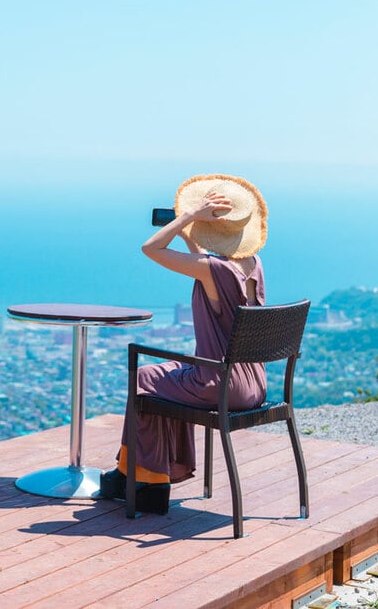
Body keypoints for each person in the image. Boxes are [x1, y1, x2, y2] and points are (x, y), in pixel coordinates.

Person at [99, 173, 268, 513]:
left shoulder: (213, 270)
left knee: (144, 378)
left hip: (220, 383)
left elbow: (151, 249)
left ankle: (148, 482)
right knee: (160, 377)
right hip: (253, 383)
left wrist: (187, 217)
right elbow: (206, 262)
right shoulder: (251, 264)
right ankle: (134, 474)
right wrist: (194, 233)